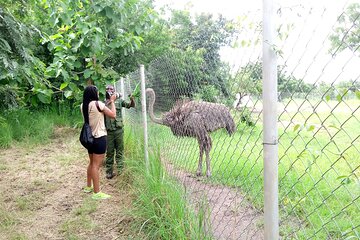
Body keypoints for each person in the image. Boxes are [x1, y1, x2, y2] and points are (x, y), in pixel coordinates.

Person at [81, 85, 117, 200]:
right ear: (94, 94)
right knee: (96, 166)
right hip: (99, 138)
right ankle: (97, 192)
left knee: (91, 163)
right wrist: (112, 102)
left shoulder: (83, 106)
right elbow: (113, 115)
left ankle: (88, 186)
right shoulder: (98, 104)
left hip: (89, 138)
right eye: (97, 92)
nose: (98, 94)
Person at [104, 84, 135, 179]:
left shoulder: (119, 101)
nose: (109, 90)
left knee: (120, 151)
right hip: (109, 132)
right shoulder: (103, 102)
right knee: (109, 152)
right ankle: (109, 172)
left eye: (111, 89)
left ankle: (121, 171)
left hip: (119, 131)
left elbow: (130, 106)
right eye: (107, 89)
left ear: (114, 90)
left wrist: (132, 99)